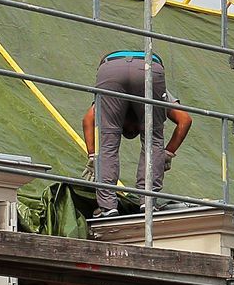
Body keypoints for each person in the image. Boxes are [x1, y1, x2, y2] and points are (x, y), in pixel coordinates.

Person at [82, 48, 192, 216]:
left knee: (108, 141)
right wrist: (166, 153)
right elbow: (185, 119)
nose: (132, 131)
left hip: (111, 70)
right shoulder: (162, 97)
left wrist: (93, 155)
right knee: (153, 140)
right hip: (147, 69)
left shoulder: (107, 105)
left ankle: (107, 206)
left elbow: (87, 120)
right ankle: (147, 201)